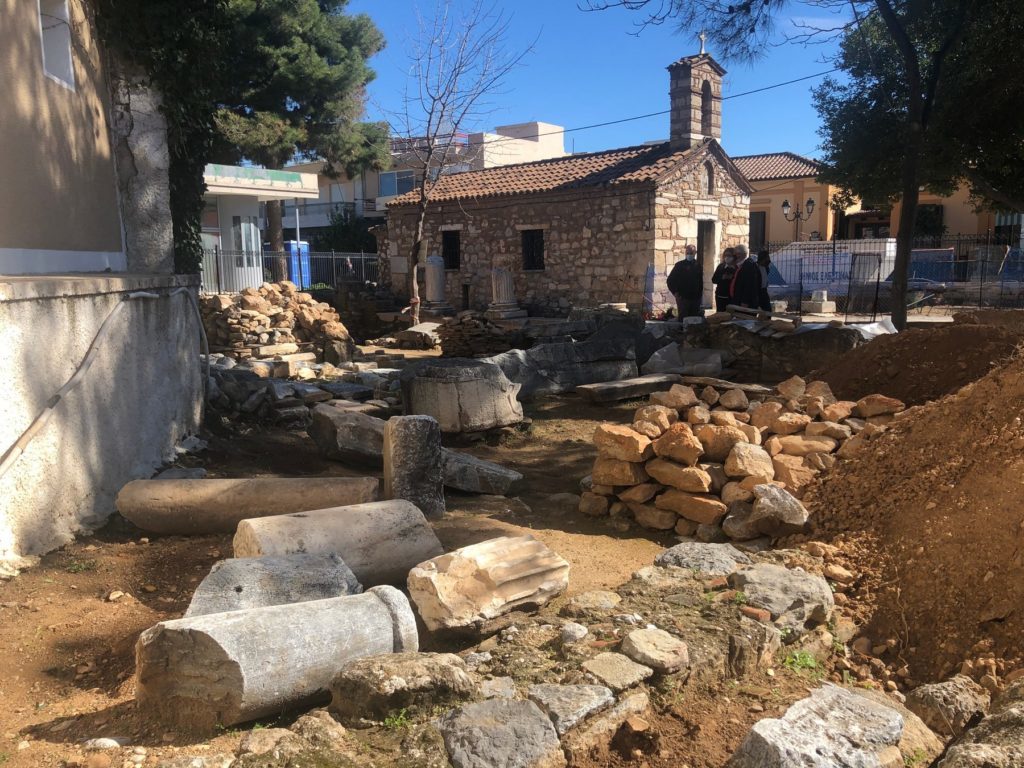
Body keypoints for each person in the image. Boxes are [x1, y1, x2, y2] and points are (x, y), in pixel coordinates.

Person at [666, 244, 703, 318]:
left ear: (695, 253)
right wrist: (675, 292)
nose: (689, 255)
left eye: (691, 253)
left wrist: (700, 295)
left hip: (695, 299)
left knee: (694, 320)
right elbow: (670, 280)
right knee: (683, 320)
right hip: (683, 298)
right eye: (688, 253)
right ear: (685, 253)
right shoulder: (679, 265)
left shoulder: (698, 266)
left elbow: (700, 281)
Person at [729, 243, 761, 309]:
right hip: (738, 299)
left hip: (745, 303)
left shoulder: (749, 265)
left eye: (736, 254)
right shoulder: (740, 265)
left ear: (742, 254)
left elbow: (749, 285)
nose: (735, 257)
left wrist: (745, 301)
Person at [711, 247, 737, 311]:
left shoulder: (736, 268)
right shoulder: (721, 267)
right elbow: (714, 280)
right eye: (726, 255)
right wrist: (722, 277)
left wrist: (732, 277)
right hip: (720, 296)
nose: (727, 257)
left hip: (731, 297)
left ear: (733, 257)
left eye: (729, 255)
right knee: (720, 314)